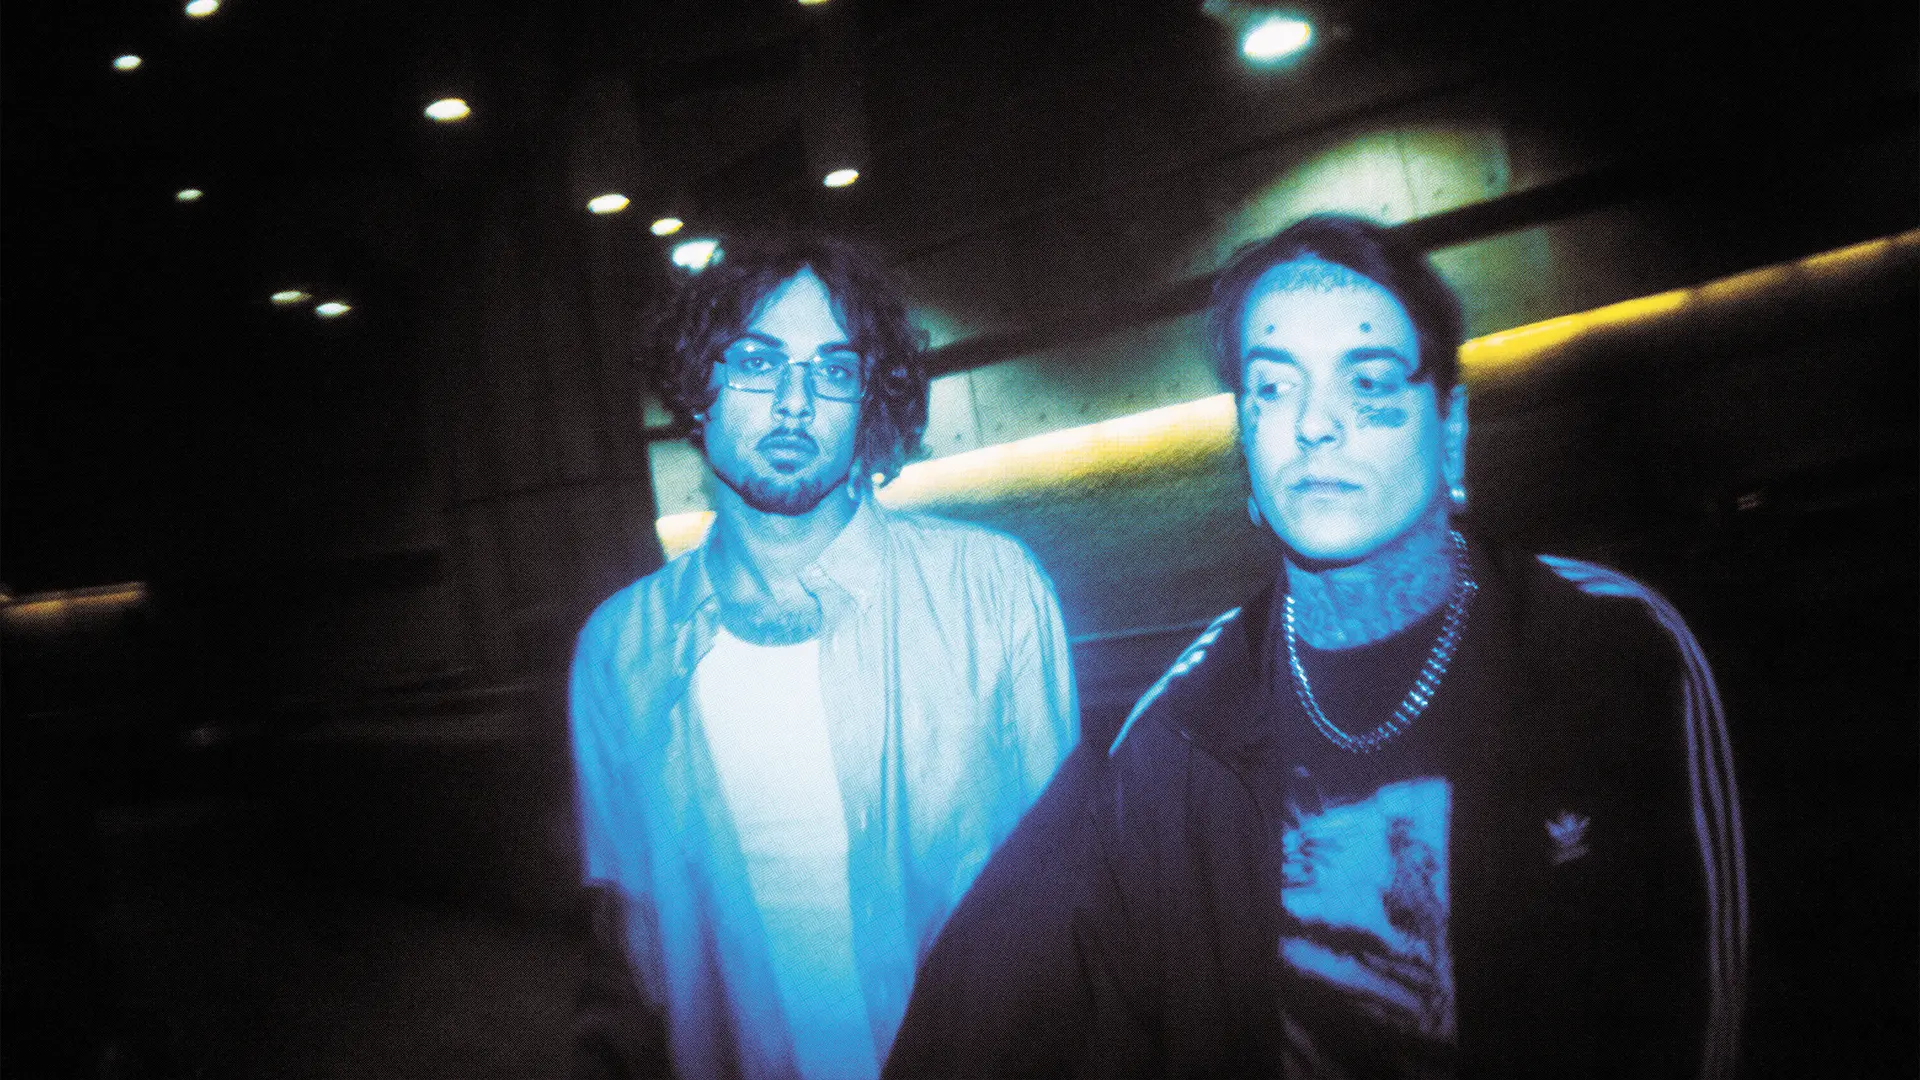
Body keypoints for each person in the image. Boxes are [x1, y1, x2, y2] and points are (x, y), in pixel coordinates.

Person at [883, 214, 1747, 1079]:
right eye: (1273, 387)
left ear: (1450, 428)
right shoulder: (1174, 740)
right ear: (1245, 444)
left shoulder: (1610, 649)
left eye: (1367, 381)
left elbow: (1693, 1013)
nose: (1314, 424)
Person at [568, 235, 1079, 1080]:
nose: (796, 402)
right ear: (698, 387)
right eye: (758, 362)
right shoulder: (618, 651)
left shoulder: (993, 591)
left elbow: (1071, 899)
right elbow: (630, 952)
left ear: (867, 402)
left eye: (835, 370)